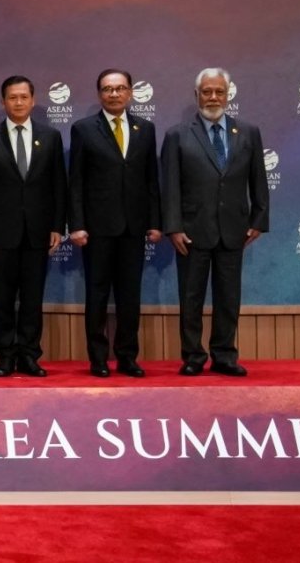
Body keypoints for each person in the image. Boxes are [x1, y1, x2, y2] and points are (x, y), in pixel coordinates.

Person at [161, 67, 269, 376]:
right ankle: (193, 357)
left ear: (228, 94)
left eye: (219, 91)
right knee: (191, 297)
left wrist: (259, 218)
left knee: (228, 298)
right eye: (207, 91)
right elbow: (170, 187)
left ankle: (224, 356)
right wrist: (174, 227)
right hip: (192, 232)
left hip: (234, 230)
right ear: (196, 95)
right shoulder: (177, 134)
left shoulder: (248, 132)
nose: (213, 97)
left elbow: (258, 180)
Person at [68, 69, 162, 378]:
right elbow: (77, 182)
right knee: (96, 295)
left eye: (120, 88)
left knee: (129, 297)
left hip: (133, 229)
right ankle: (97, 359)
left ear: (130, 92)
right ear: (99, 94)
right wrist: (77, 224)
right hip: (96, 230)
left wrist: (154, 221)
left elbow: (151, 179)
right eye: (108, 89)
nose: (114, 94)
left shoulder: (145, 129)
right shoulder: (83, 129)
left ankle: (127, 357)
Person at [0, 75, 66, 377]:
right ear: (2, 102)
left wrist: (56, 225)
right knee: (1, 297)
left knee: (32, 297)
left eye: (24, 97)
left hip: (39, 231)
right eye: (12, 97)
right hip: (0, 232)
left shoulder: (50, 137)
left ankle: (29, 354)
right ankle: (4, 356)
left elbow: (58, 186)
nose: (18, 102)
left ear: (33, 100)